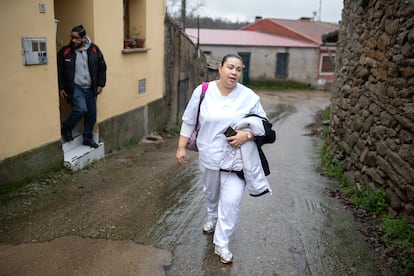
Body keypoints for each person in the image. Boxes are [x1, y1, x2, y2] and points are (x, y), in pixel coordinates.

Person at [176, 53, 273, 264]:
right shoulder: (203, 92)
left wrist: (246, 135)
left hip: (236, 161)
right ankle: (212, 215)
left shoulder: (249, 97)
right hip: (209, 155)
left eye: (239, 69)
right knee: (212, 194)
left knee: (231, 201)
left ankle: (222, 243)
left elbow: (266, 128)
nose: (234, 72)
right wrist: (181, 147)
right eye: (230, 67)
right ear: (220, 68)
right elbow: (189, 120)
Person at [58, 24, 107, 148]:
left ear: (84, 38)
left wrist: (101, 84)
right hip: (76, 87)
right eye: (72, 37)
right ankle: (66, 128)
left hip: (91, 88)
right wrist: (62, 87)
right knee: (80, 109)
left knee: (91, 114)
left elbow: (102, 67)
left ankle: (87, 138)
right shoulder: (66, 51)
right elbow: (59, 70)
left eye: (76, 38)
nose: (73, 40)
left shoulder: (94, 49)